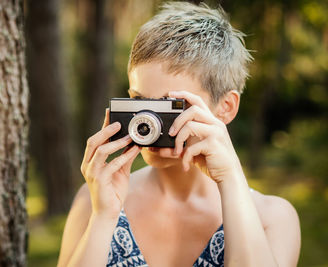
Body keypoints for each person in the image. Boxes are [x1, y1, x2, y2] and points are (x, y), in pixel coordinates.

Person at [58, 2, 301, 267]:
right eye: (140, 100)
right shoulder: (93, 200)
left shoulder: (273, 218)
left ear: (226, 107)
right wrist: (103, 217)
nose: (149, 121)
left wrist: (230, 178)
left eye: (171, 106)